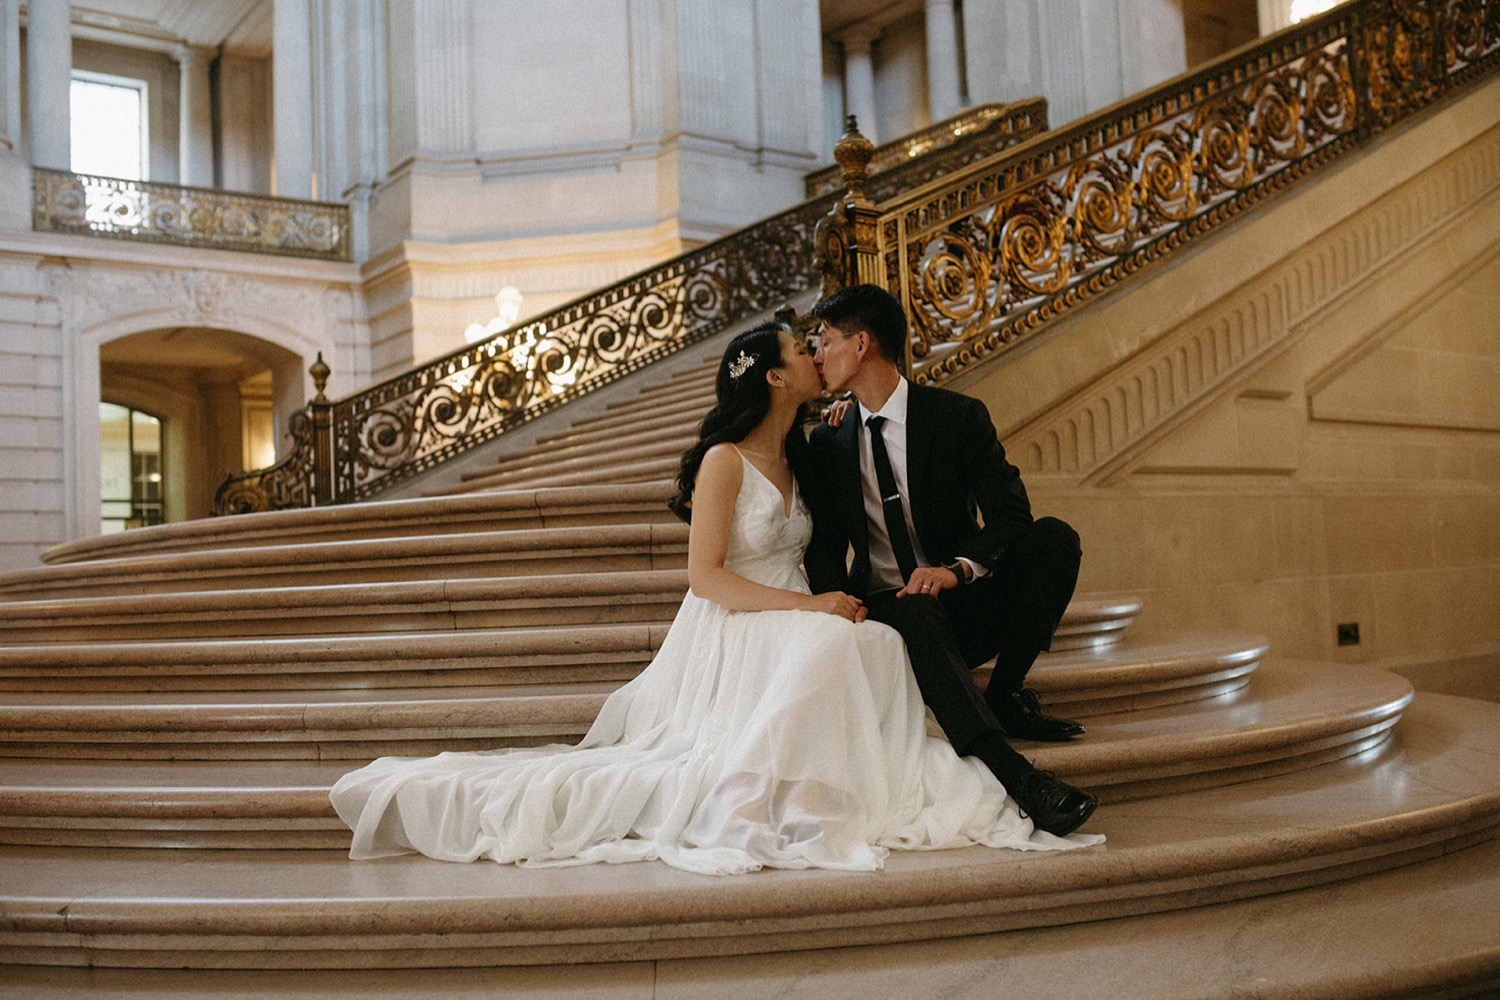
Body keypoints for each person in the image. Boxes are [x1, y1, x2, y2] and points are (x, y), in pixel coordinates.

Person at [330, 322, 1102, 875]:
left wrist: (841, 594)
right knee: (844, 638)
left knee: (869, 638)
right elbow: (705, 578)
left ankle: (863, 762)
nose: (814, 354)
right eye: (802, 350)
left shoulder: (811, 450)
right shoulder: (722, 461)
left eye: (819, 343)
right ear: (772, 376)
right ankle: (767, 790)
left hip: (807, 606)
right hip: (740, 616)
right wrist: (813, 606)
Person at [805, 283, 1098, 837]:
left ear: (862, 344)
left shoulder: (958, 418)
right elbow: (823, 547)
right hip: (888, 616)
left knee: (1055, 539)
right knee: (912, 609)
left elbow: (1013, 517)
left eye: (824, 340)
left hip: (960, 601)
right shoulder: (830, 440)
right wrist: (835, 609)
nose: (817, 354)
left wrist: (958, 569)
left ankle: (1007, 691)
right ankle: (1021, 780)